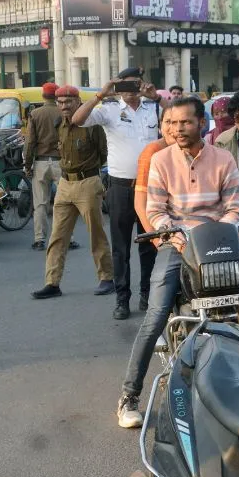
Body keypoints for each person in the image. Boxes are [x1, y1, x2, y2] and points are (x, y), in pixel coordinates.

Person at [117, 97, 239, 427]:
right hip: (177, 243)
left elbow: (235, 207)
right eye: (172, 123)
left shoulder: (223, 158)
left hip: (217, 241)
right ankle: (129, 396)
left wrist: (219, 232)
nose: (178, 129)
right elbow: (155, 210)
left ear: (202, 123)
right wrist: (176, 237)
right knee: (156, 314)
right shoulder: (160, 160)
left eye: (185, 122)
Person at [72, 66, 160, 320]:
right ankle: (122, 299)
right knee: (121, 248)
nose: (131, 90)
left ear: (142, 84)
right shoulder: (109, 109)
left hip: (149, 188)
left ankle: (147, 295)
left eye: (136, 84)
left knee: (150, 245)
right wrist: (101, 93)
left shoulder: (153, 108)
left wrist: (156, 97)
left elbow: (179, 115)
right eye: (125, 85)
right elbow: (78, 119)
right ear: (118, 86)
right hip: (120, 187)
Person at [32, 86, 115, 300]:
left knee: (96, 234)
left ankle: (106, 278)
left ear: (78, 101)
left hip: (87, 182)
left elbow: (104, 153)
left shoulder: (91, 125)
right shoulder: (59, 124)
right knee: (57, 236)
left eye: (68, 102)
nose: (64, 106)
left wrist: (93, 176)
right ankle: (52, 283)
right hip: (64, 183)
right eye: (60, 102)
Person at [24, 83, 62, 250]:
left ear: (43, 95)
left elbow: (30, 142)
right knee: (63, 203)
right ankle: (67, 238)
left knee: (40, 203)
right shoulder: (62, 112)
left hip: (40, 162)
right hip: (61, 162)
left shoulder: (35, 114)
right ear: (57, 96)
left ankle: (39, 239)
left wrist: (27, 165)